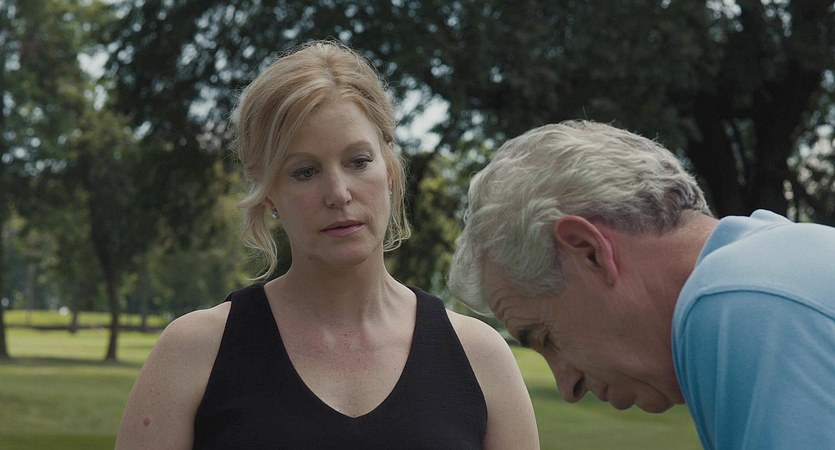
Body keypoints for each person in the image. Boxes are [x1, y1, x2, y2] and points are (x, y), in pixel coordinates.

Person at [116, 40, 539, 450]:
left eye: (358, 162)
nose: (338, 193)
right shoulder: (193, 354)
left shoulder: (481, 358)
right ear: (268, 193)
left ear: (390, 169)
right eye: (305, 171)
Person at [448, 119, 835, 450]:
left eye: (545, 337)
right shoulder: (774, 268)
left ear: (589, 252)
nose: (568, 386)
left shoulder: (739, 301)